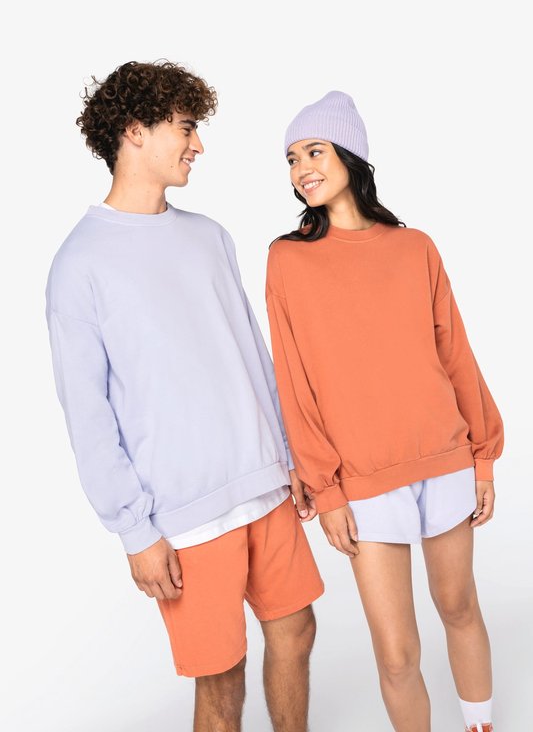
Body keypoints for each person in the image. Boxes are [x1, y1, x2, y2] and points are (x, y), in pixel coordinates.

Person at [45, 60, 323, 732]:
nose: (198, 144)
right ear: (135, 130)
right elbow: (88, 417)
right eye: (186, 127)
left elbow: (253, 356)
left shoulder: (209, 237)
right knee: (220, 677)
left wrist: (289, 456)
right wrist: (134, 531)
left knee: (297, 631)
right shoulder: (79, 265)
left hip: (264, 485)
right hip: (185, 515)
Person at [265, 91, 503, 732]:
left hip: (445, 457)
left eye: (314, 151)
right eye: (291, 159)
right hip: (363, 479)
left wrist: (483, 456)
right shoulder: (287, 259)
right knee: (397, 652)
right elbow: (293, 381)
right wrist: (325, 488)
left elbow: (455, 354)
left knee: (459, 607)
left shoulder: (415, 246)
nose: (301, 169)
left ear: (350, 155)